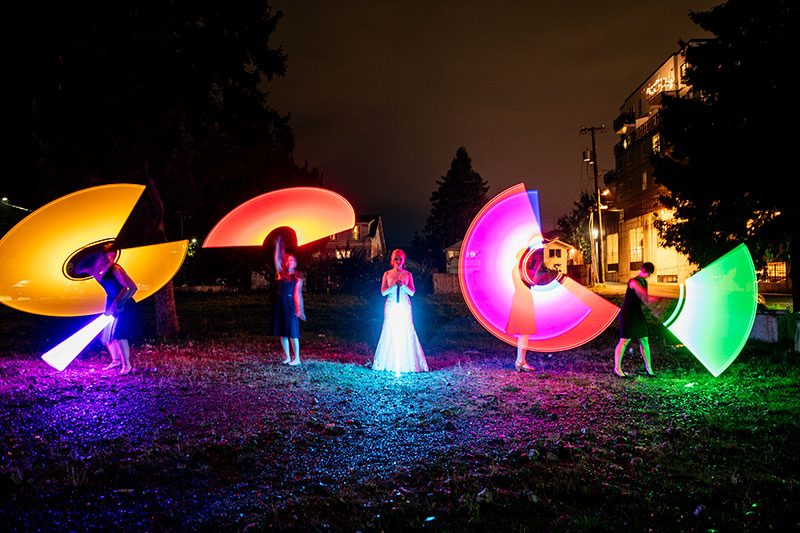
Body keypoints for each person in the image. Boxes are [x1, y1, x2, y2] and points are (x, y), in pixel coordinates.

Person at [78, 243, 138, 375]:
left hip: (122, 304)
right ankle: (116, 361)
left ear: (114, 255)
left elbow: (127, 287)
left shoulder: (115, 268)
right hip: (112, 302)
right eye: (106, 254)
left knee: (119, 334)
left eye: (111, 254)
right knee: (106, 336)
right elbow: (82, 270)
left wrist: (118, 303)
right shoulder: (103, 269)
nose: (109, 256)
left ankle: (126, 365)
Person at [373, 249, 428, 374]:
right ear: (393, 260)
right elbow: (383, 292)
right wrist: (393, 286)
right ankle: (387, 362)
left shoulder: (408, 274)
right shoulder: (387, 274)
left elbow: (412, 292)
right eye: (396, 259)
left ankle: (407, 363)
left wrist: (403, 285)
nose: (398, 261)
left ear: (403, 260)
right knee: (390, 329)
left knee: (405, 329)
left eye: (400, 259)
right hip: (391, 304)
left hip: (404, 304)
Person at [505, 244, 546, 372]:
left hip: (522, 299)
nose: (529, 260)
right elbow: (532, 281)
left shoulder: (517, 269)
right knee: (524, 332)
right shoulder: (519, 270)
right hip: (523, 300)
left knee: (524, 333)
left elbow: (531, 282)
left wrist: (539, 269)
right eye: (527, 257)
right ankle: (520, 361)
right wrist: (539, 265)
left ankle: (521, 361)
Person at [614, 262, 657, 377]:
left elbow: (645, 299)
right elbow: (641, 293)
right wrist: (650, 298)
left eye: (648, 274)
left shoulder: (645, 282)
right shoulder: (633, 281)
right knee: (624, 341)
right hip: (627, 314)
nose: (647, 275)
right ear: (642, 270)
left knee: (644, 340)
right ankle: (617, 369)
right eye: (646, 273)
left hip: (637, 314)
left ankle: (649, 369)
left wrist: (652, 303)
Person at [272, 236, 305, 366]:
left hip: (291, 305)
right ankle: (287, 357)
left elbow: (298, 294)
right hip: (280, 304)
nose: (290, 262)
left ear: (295, 263)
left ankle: (296, 358)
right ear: (286, 263)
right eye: (288, 260)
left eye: (292, 260)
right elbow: (276, 259)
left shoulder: (298, 279)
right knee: (283, 332)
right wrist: (277, 245)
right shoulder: (281, 273)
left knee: (292, 332)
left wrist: (299, 309)